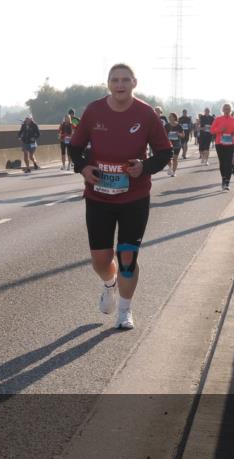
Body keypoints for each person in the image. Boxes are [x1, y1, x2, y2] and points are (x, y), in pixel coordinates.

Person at [69, 63, 172, 330]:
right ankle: (109, 284)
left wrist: (144, 167)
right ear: (108, 84)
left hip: (134, 198)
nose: (120, 84)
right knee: (101, 261)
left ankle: (125, 311)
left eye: (125, 79)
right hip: (98, 197)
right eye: (115, 80)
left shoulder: (146, 113)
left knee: (127, 257)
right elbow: (76, 147)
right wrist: (83, 167)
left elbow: (164, 152)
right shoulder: (94, 111)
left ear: (134, 83)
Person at [210, 104, 234, 192]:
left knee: (229, 163)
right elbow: (212, 130)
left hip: (230, 143)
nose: (227, 110)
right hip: (220, 143)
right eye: (225, 108)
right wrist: (220, 129)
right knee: (222, 162)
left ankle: (227, 182)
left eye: (228, 108)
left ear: (231, 110)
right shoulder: (218, 119)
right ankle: (223, 178)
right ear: (222, 110)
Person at [165, 112, 184, 177]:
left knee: (175, 159)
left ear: (174, 118)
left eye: (170, 116)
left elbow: (183, 135)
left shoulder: (179, 126)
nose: (169, 118)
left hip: (177, 144)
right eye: (169, 117)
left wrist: (178, 134)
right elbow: (163, 134)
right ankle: (170, 167)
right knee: (167, 158)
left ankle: (174, 172)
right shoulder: (166, 126)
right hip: (168, 144)